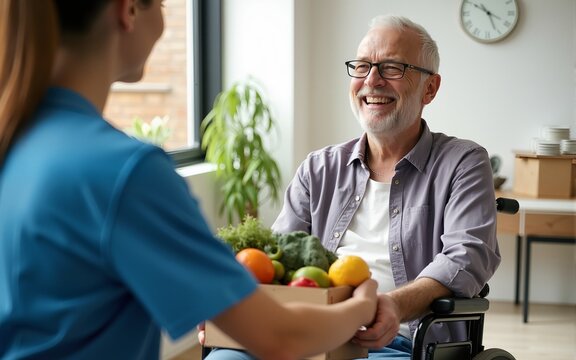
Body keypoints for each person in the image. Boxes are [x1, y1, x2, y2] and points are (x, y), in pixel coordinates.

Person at [0, 1, 379, 359]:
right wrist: (362, 303)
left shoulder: (18, 139)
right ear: (127, 10)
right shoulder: (124, 172)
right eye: (163, 5)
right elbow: (280, 337)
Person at [203, 14, 500, 360]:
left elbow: (467, 257)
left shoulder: (463, 162)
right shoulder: (318, 168)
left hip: (399, 343)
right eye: (362, 66)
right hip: (304, 332)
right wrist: (228, 306)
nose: (372, 81)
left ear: (429, 88)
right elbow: (274, 260)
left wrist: (392, 306)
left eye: (392, 68)